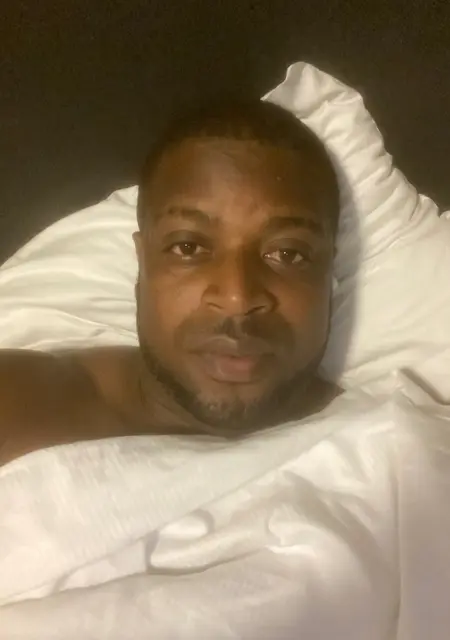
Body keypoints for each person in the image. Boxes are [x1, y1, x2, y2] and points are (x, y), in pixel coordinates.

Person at [0, 99, 341, 466]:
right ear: (142, 263)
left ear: (329, 274)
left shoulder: (378, 438)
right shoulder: (17, 408)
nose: (237, 298)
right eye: (188, 247)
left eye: (288, 253)